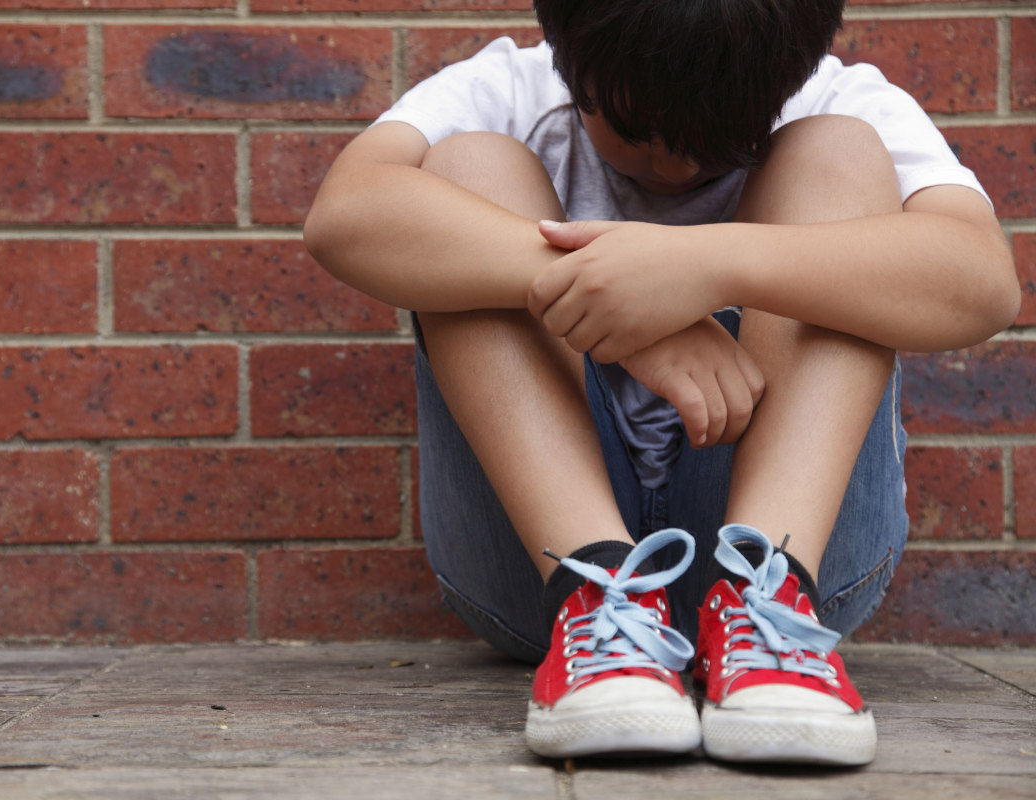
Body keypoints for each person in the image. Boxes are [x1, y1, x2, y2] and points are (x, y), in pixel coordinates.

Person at [304, 0, 1019, 766]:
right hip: (535, 573)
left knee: (839, 156)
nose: (676, 166)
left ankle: (764, 601)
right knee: (466, 166)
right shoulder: (506, 89)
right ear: (571, 64)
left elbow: (984, 284)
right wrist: (591, 289)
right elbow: (343, 216)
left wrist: (710, 265)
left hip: (802, 556)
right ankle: (597, 588)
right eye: (639, 132)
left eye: (720, 142)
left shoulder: (835, 97)